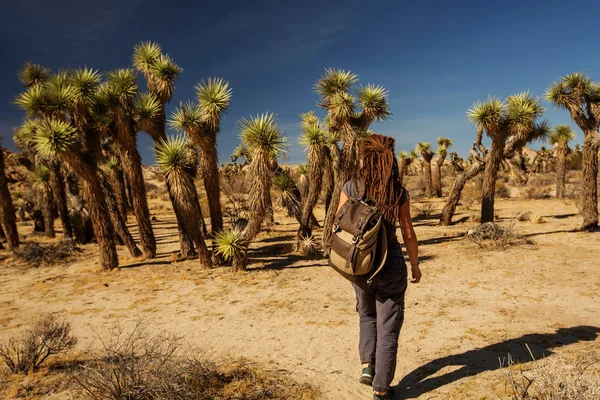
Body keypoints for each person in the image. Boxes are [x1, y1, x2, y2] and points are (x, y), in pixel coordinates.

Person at [337, 134, 421, 400]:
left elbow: (338, 226)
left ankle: (367, 366)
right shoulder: (397, 192)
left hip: (359, 264)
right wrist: (415, 264)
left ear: (365, 158)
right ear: (389, 159)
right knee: (389, 326)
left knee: (366, 314)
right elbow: (408, 232)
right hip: (389, 265)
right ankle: (382, 390)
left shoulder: (351, 187)